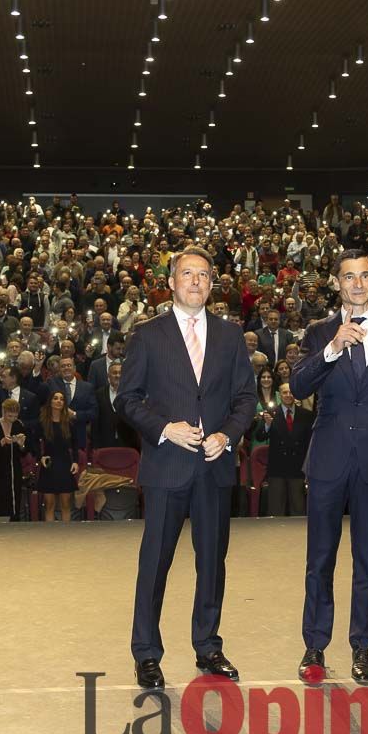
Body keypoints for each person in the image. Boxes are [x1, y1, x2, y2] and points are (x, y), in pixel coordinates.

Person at [115, 246, 256, 690]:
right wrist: (164, 429)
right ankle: (146, 654)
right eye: (187, 274)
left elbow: (246, 399)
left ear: (212, 285)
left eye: (203, 275)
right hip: (167, 465)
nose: (195, 281)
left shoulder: (232, 336)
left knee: (212, 563)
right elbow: (127, 399)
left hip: (214, 467)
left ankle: (208, 646)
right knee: (155, 562)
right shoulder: (147, 335)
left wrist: (227, 435)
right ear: (171, 283)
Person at [290, 249, 368, 684]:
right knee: (319, 560)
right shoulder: (318, 332)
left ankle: (362, 646)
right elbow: (297, 384)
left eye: (365, 276)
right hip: (327, 460)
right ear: (337, 283)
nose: (358, 284)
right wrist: (331, 348)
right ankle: (314, 647)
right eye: (349, 277)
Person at [252, 381, 313, 516]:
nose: (288, 395)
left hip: (298, 469)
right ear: (280, 395)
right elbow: (259, 436)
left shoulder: (307, 415)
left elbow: (310, 442)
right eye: (285, 392)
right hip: (277, 469)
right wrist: (267, 425)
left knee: (298, 510)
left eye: (291, 392)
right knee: (276, 510)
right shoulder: (271, 413)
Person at [33, 389, 80, 522]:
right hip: (49, 464)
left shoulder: (70, 422)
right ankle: (50, 536)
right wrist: (39, 457)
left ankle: (66, 535)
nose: (59, 401)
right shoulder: (42, 422)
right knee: (49, 504)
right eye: (55, 398)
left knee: (66, 504)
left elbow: (75, 444)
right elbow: (34, 441)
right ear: (50, 402)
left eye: (62, 399)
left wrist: (75, 461)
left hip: (65, 464)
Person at [0, 398, 29, 520]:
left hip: (14, 471)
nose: (12, 419)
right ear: (3, 411)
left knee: (15, 502)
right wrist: (2, 442)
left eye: (15, 416)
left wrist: (21, 445)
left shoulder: (19, 425)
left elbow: (24, 452)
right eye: (10, 416)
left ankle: (15, 527)